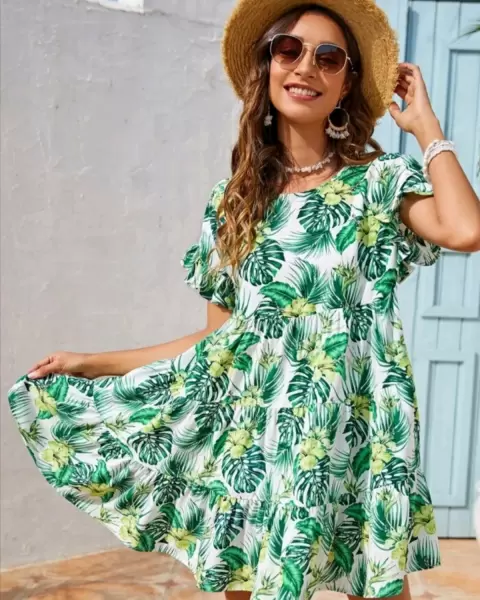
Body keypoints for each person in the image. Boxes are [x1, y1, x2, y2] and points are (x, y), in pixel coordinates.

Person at [7, 1, 480, 599]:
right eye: (290, 50)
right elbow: (221, 344)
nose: (306, 67)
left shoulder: (378, 183)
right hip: (253, 440)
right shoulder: (232, 205)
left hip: (354, 434)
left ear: (346, 85)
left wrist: (427, 129)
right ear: (267, 67)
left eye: (328, 57)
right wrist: (93, 363)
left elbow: (466, 230)